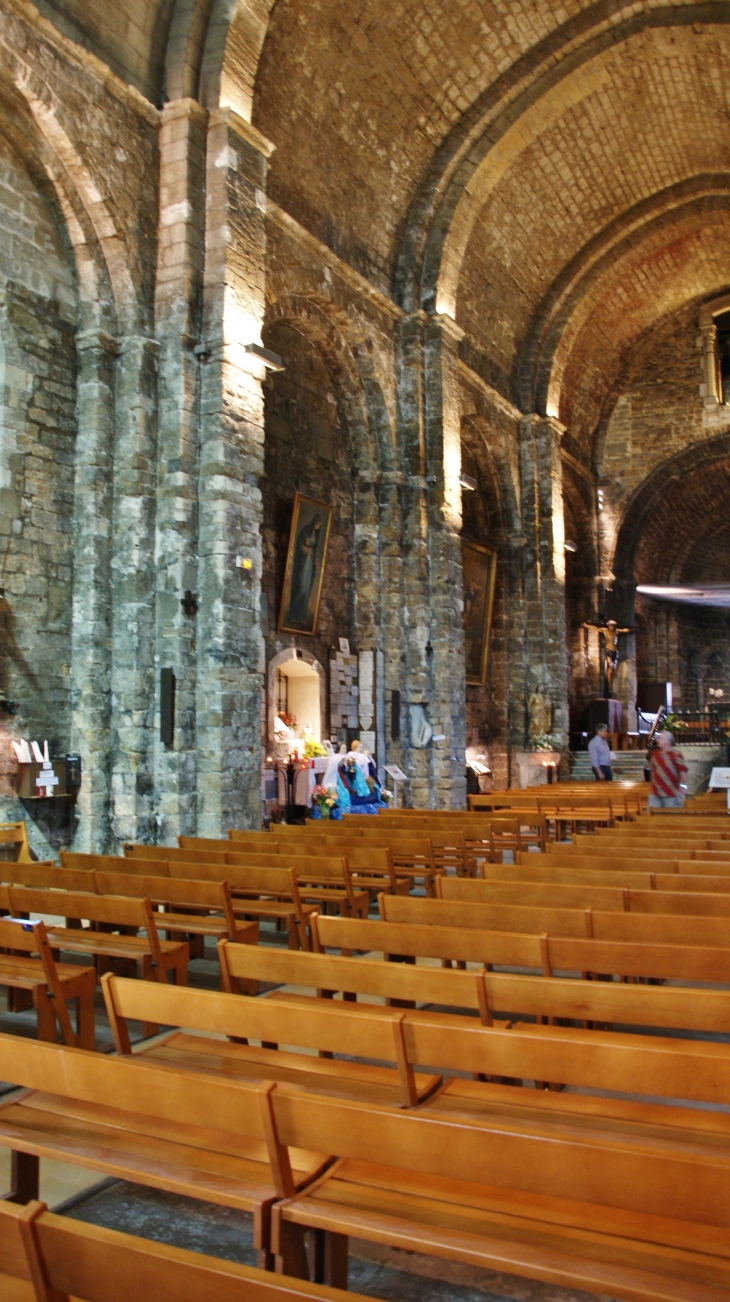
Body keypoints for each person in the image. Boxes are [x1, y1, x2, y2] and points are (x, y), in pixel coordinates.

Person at [648, 731, 687, 808]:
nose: (657, 740)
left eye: (660, 738)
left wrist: (683, 787)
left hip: (671, 792)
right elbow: (653, 770)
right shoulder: (655, 754)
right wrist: (652, 785)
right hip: (655, 793)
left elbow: (683, 772)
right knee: (652, 816)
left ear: (667, 741)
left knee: (671, 817)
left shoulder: (676, 754)